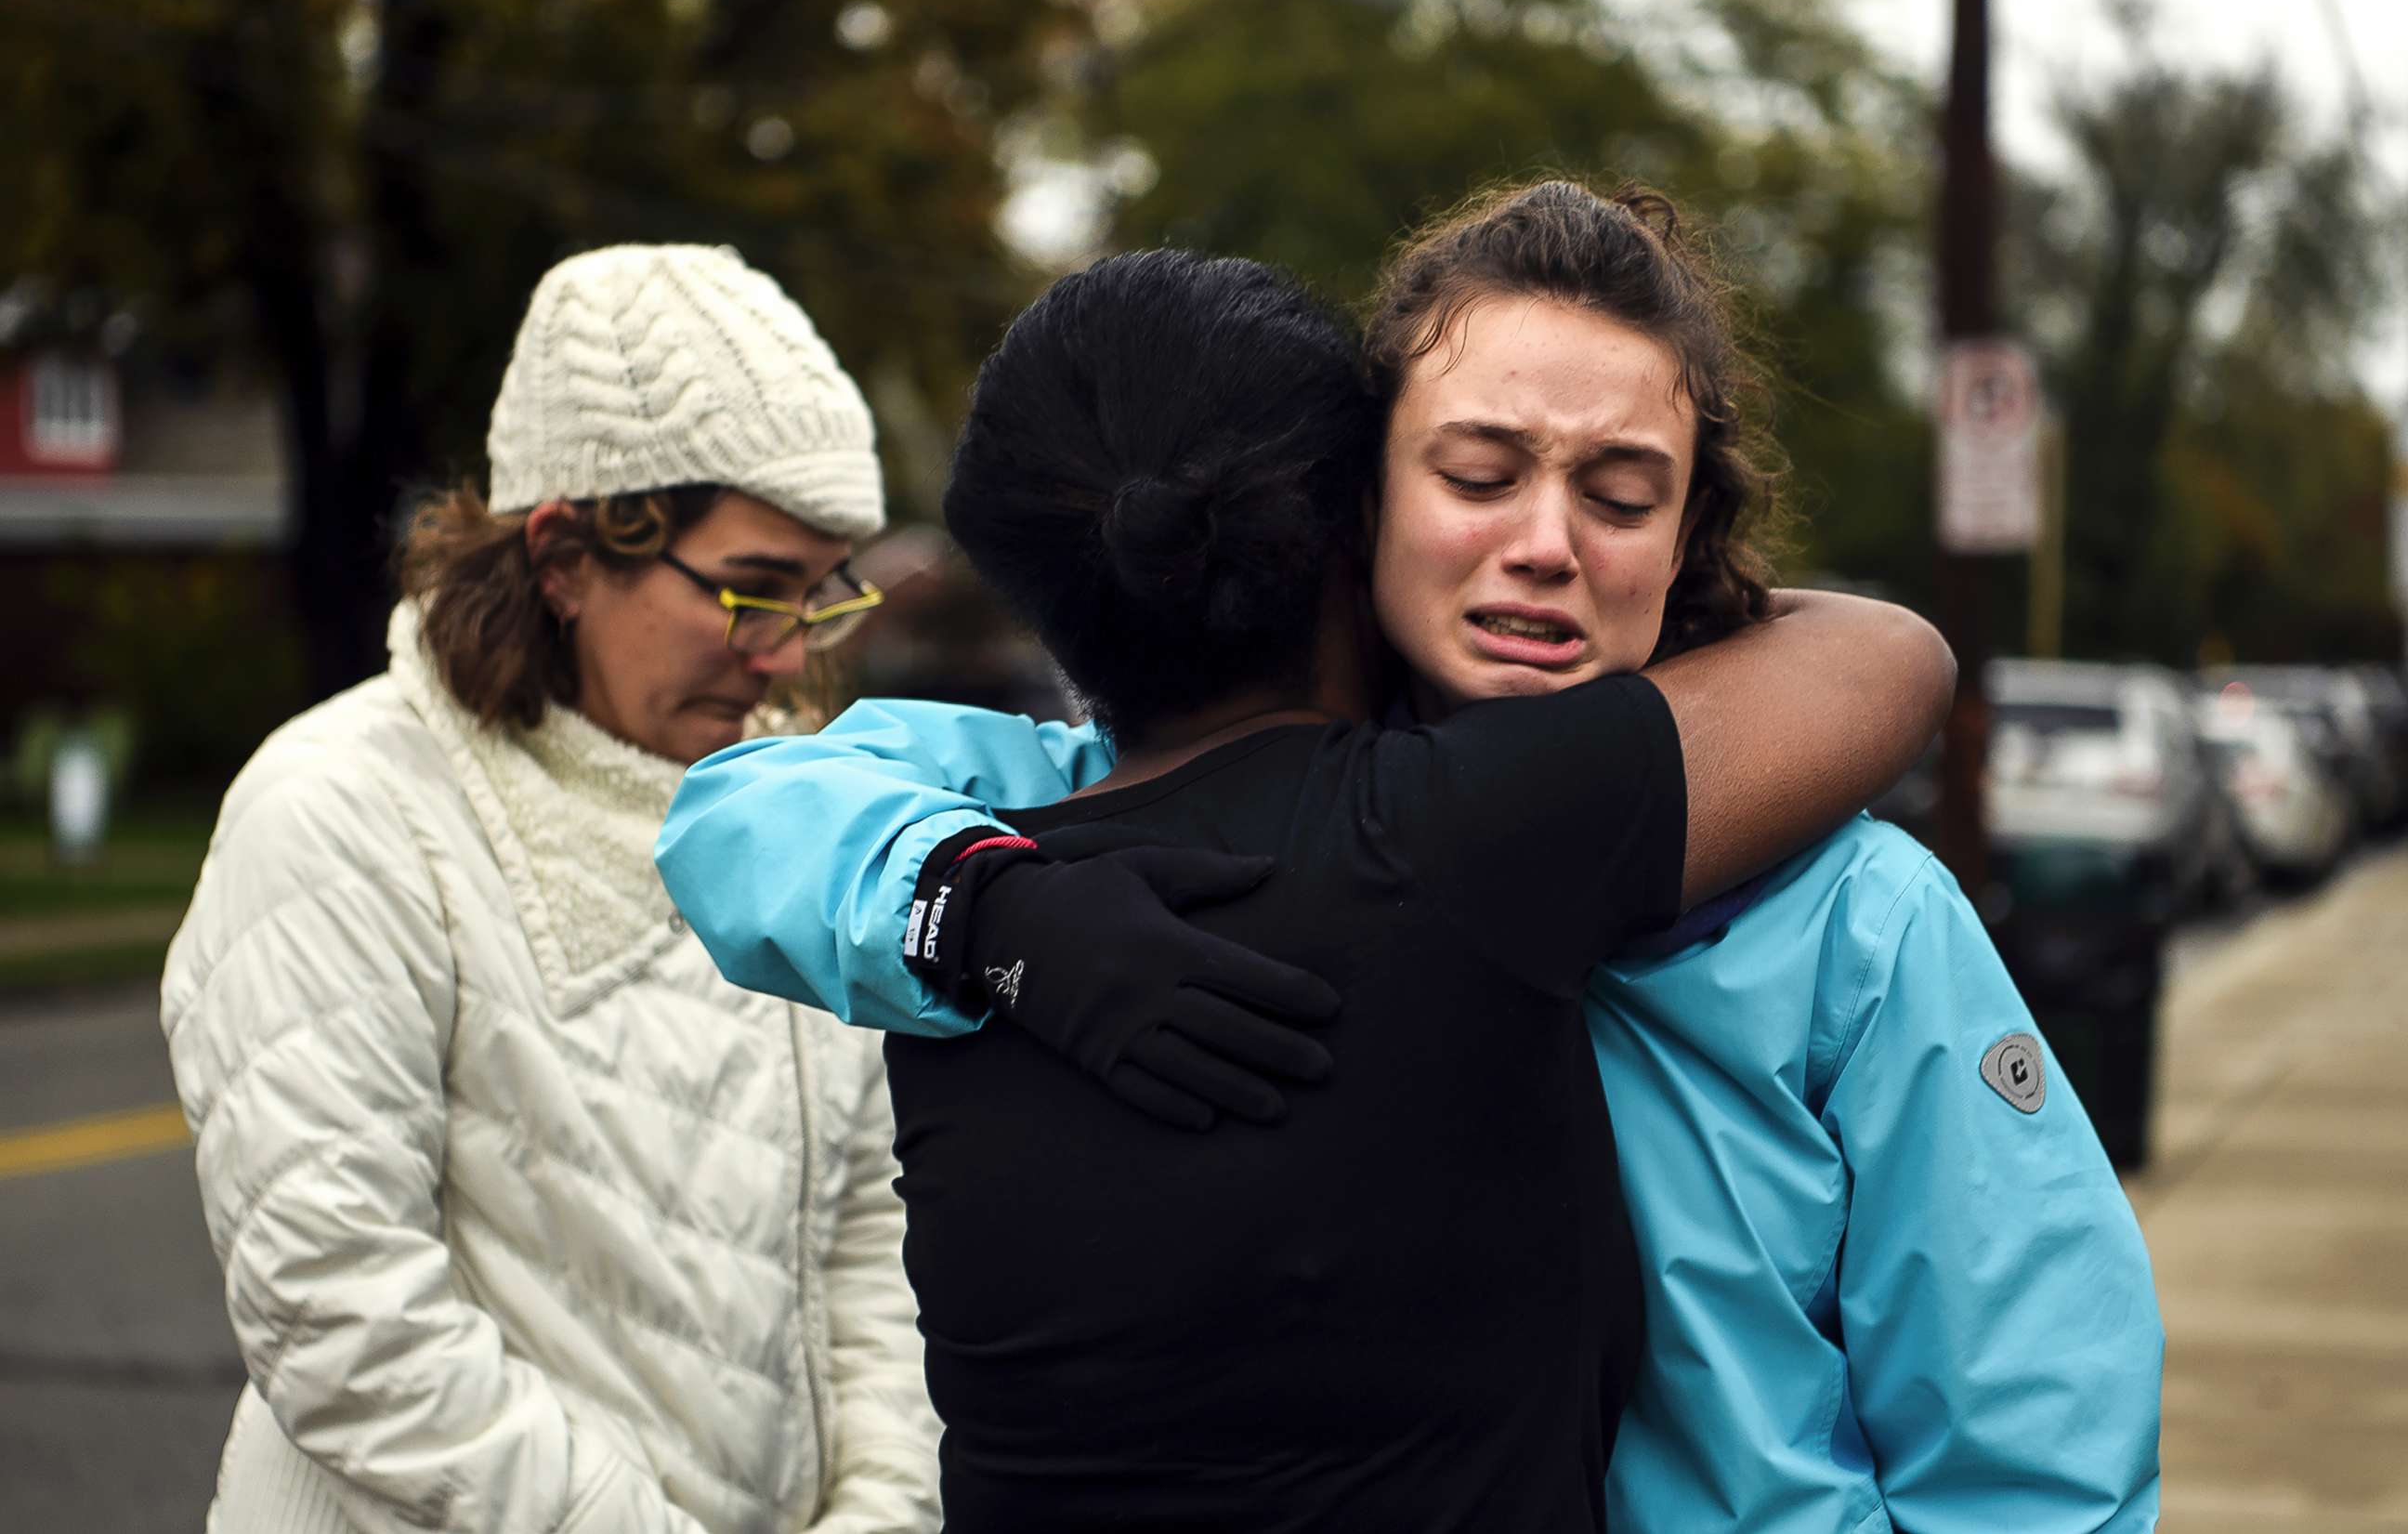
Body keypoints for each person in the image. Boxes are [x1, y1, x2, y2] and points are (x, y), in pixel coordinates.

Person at [661, 181, 2163, 1530]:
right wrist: (988, 909)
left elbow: (2038, 1458)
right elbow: (748, 810)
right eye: (1481, 472)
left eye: (1621, 493)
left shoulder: (1853, 918)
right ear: (1351, 500)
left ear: (1692, 526)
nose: (1548, 541)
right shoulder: (1121, 807)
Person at [161, 244, 938, 1534]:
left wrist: (886, 1513)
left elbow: (869, 1233)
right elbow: (344, 1315)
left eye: (820, 594)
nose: (787, 649)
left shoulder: (800, 809)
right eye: (750, 591)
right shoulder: (343, 814)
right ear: (566, 552)